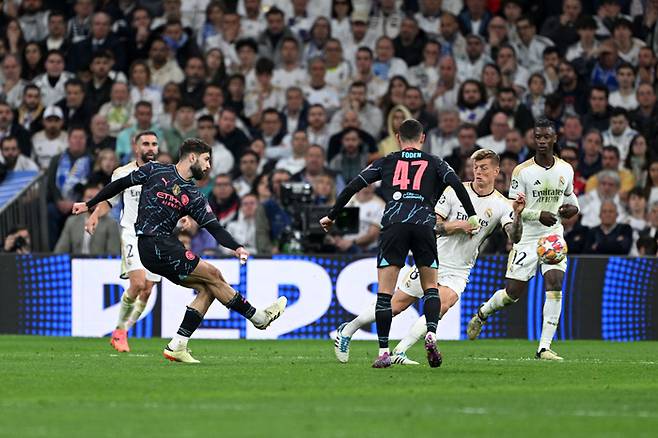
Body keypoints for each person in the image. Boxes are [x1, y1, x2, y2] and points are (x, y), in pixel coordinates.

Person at [73, 137, 287, 363]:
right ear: (192, 157)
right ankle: (259, 318)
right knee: (214, 275)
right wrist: (89, 205)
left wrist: (236, 246)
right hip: (154, 244)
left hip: (163, 248)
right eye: (206, 160)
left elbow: (213, 226)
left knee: (209, 288)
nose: (208, 166)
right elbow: (119, 184)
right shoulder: (155, 170)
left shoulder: (193, 195)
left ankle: (178, 344)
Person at [334, 149, 525, 365]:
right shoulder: (455, 191)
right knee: (395, 307)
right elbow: (432, 225)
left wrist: (517, 214)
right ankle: (347, 329)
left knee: (443, 305)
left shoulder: (502, 204)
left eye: (484, 168)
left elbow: (515, 236)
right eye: (475, 167)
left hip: (459, 269)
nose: (478, 172)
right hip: (432, 260)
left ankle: (400, 350)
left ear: (496, 171)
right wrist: (457, 225)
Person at [320, 118, 479, 368]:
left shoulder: (387, 161)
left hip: (394, 225)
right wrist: (471, 215)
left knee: (385, 294)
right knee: (431, 289)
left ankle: (383, 352)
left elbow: (353, 185)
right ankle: (431, 333)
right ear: (423, 138)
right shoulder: (434, 162)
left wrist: (332, 214)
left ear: (397, 138)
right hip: (424, 226)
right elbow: (457, 185)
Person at [467, 118, 580, 361]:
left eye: (546, 137)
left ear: (554, 138)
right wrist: (538, 214)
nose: (541, 141)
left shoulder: (565, 169)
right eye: (537, 137)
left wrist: (571, 210)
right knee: (512, 294)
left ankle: (544, 347)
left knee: (555, 283)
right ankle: (483, 312)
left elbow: (572, 202)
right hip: (527, 238)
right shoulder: (522, 171)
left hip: (553, 237)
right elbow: (512, 208)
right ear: (533, 138)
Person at [84, 132, 162, 352]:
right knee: (137, 284)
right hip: (131, 233)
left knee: (147, 290)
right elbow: (109, 200)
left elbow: (174, 202)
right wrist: (94, 215)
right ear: (136, 147)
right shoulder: (122, 172)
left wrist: (183, 215)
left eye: (154, 144)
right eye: (145, 143)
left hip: (156, 236)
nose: (150, 148)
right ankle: (119, 332)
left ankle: (123, 330)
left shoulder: (165, 173)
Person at [54, 184, 121, 255]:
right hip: (76, 264)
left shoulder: (111, 223)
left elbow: (113, 254)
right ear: (83, 199)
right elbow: (60, 250)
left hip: (100, 264)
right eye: (89, 197)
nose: (93, 201)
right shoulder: (72, 221)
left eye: (97, 197)